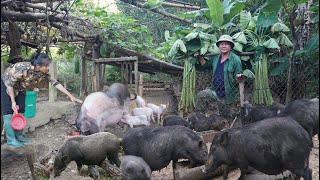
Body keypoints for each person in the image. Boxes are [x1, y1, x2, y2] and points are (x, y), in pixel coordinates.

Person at [1, 53, 83, 147]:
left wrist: (70, 95)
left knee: (22, 109)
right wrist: (13, 102)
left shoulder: (42, 73)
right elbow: (10, 85)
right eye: (46, 66)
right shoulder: (22, 68)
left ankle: (19, 136)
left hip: (20, 88)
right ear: (37, 65)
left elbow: (55, 83)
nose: (48, 68)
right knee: (8, 112)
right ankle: (11, 140)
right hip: (6, 84)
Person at [194, 34, 243, 118]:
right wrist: (199, 57)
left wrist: (239, 77)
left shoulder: (235, 60)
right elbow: (205, 65)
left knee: (225, 115)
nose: (223, 46)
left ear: (230, 46)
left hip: (227, 93)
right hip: (214, 90)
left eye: (226, 44)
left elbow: (238, 75)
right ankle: (199, 117)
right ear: (219, 46)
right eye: (221, 44)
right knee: (201, 95)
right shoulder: (216, 58)